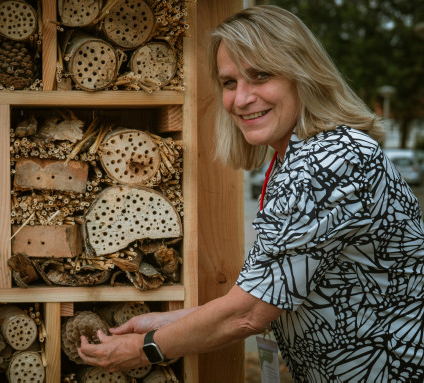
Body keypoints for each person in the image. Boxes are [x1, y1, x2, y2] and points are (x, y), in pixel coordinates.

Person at [78, 5, 424, 382]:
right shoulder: (296, 157)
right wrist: (160, 323)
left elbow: (249, 313)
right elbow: (268, 289)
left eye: (260, 75)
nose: (241, 99)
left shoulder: (329, 161)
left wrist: (145, 348)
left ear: (302, 76)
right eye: (229, 82)